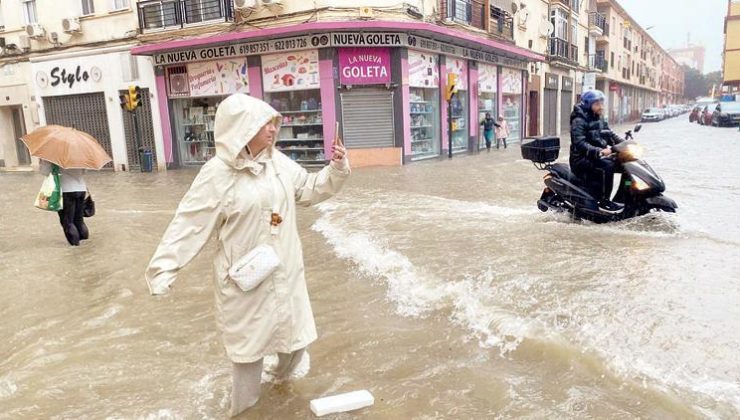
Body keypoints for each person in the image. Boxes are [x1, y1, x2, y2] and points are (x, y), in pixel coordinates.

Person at [144, 93, 350, 417]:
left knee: (295, 342)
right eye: (264, 123)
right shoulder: (217, 174)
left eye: (273, 122)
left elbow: (308, 189)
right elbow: (189, 222)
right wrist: (164, 268)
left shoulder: (277, 164)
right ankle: (244, 412)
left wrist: (336, 169)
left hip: (285, 271)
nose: (272, 129)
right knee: (247, 355)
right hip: (245, 281)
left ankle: (279, 390)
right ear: (242, 129)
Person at [569, 89, 625, 213]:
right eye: (597, 104)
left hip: (596, 157)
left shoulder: (599, 119)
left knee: (625, 164)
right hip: (581, 159)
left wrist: (625, 143)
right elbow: (579, 143)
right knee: (608, 166)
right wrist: (600, 151)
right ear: (589, 104)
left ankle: (624, 197)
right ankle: (603, 201)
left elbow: (610, 134)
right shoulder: (578, 121)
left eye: (601, 103)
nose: (601, 107)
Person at [39, 160, 89, 246]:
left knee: (68, 221)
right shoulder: (80, 155)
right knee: (79, 219)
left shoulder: (54, 156)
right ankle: (85, 243)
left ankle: (75, 247)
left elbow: (45, 172)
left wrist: (43, 162)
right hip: (81, 189)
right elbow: (84, 171)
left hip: (66, 190)